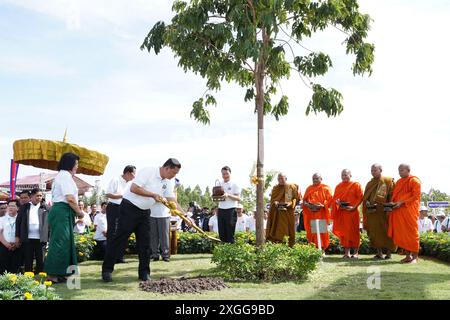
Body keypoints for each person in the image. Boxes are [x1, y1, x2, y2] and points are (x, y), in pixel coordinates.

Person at [102, 158, 186, 282]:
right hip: (129, 208)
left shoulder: (168, 182)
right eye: (173, 173)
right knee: (119, 239)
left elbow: (171, 200)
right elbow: (134, 188)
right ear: (167, 168)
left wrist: (185, 216)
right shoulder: (148, 171)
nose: (174, 176)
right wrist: (152, 195)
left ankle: (144, 274)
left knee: (145, 244)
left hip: (145, 212)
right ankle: (107, 270)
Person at [44, 152, 84, 284]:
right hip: (62, 210)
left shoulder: (62, 176)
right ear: (70, 164)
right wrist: (80, 213)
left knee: (65, 243)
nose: (77, 167)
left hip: (62, 211)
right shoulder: (65, 177)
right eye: (76, 164)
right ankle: (52, 274)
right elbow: (70, 198)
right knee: (59, 243)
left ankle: (62, 273)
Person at [387, 164, 421, 264]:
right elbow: (395, 196)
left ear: (408, 170)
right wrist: (393, 203)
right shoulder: (399, 181)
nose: (400, 172)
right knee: (403, 234)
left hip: (409, 210)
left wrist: (401, 203)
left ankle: (415, 257)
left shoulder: (414, 181)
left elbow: (416, 196)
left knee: (411, 233)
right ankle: (408, 256)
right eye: (399, 170)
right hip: (398, 211)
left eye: (402, 170)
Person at [362, 164, 397, 260]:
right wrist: (368, 203)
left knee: (388, 232)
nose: (373, 172)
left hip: (385, 212)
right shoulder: (370, 183)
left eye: (375, 170)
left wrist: (389, 205)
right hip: (372, 212)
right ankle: (379, 253)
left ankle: (389, 254)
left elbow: (393, 195)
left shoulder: (388, 181)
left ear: (380, 170)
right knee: (374, 233)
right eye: (372, 170)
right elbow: (365, 198)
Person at [105, 165, 136, 264]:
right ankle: (111, 257)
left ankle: (120, 256)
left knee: (124, 232)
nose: (134, 177)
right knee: (112, 232)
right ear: (127, 173)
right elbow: (108, 194)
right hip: (114, 207)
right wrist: (122, 195)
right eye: (133, 174)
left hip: (126, 208)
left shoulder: (131, 183)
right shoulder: (115, 180)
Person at [331, 169, 363, 259]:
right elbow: (335, 199)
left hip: (352, 212)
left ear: (350, 175)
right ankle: (347, 253)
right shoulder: (338, 186)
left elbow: (360, 197)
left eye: (346, 175)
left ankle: (356, 253)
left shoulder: (356, 185)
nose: (344, 176)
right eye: (343, 175)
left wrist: (354, 207)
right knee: (344, 233)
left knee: (354, 232)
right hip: (343, 212)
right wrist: (337, 202)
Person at [15, 188, 49, 273]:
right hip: (27, 239)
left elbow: (50, 224)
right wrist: (17, 237)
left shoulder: (45, 207)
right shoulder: (24, 207)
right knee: (28, 260)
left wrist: (49, 237)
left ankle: (40, 277)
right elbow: (18, 222)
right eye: (37, 195)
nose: (39, 197)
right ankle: (28, 278)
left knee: (40, 260)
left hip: (41, 239)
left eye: (41, 196)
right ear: (31, 196)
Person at [266, 173, 300, 247]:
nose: (280, 180)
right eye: (279, 179)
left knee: (286, 230)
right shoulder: (275, 188)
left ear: (286, 178)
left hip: (287, 213)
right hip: (276, 213)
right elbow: (272, 200)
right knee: (275, 229)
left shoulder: (290, 187)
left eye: (282, 178)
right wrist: (275, 202)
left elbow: (295, 199)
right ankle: (275, 245)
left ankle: (287, 245)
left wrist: (290, 203)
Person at [302, 173, 333, 251]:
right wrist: (309, 205)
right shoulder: (309, 188)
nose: (315, 180)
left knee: (321, 231)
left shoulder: (325, 188)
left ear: (321, 179)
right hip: (311, 214)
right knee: (312, 232)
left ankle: (322, 249)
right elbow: (304, 201)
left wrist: (322, 205)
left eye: (317, 178)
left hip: (321, 214)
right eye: (313, 179)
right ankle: (313, 249)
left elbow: (330, 200)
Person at [149, 181, 174, 263]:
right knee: (153, 236)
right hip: (152, 213)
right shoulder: (150, 184)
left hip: (164, 214)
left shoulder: (168, 183)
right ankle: (154, 254)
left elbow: (171, 199)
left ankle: (165, 255)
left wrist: (163, 199)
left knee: (164, 236)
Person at [217, 166, 241, 243]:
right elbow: (216, 196)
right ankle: (222, 251)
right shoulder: (219, 184)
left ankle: (230, 251)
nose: (225, 175)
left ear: (230, 173)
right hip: (221, 209)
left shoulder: (235, 184)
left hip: (231, 210)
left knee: (230, 232)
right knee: (221, 231)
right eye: (223, 174)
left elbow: (238, 198)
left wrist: (228, 195)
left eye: (226, 173)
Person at [0, 199, 22, 274]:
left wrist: (17, 244)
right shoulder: (2, 219)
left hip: (17, 247)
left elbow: (23, 232)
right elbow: (0, 233)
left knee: (15, 269)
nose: (10, 208)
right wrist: (6, 244)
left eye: (13, 206)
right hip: (4, 246)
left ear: (18, 208)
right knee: (3, 268)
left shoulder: (21, 219)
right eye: (9, 206)